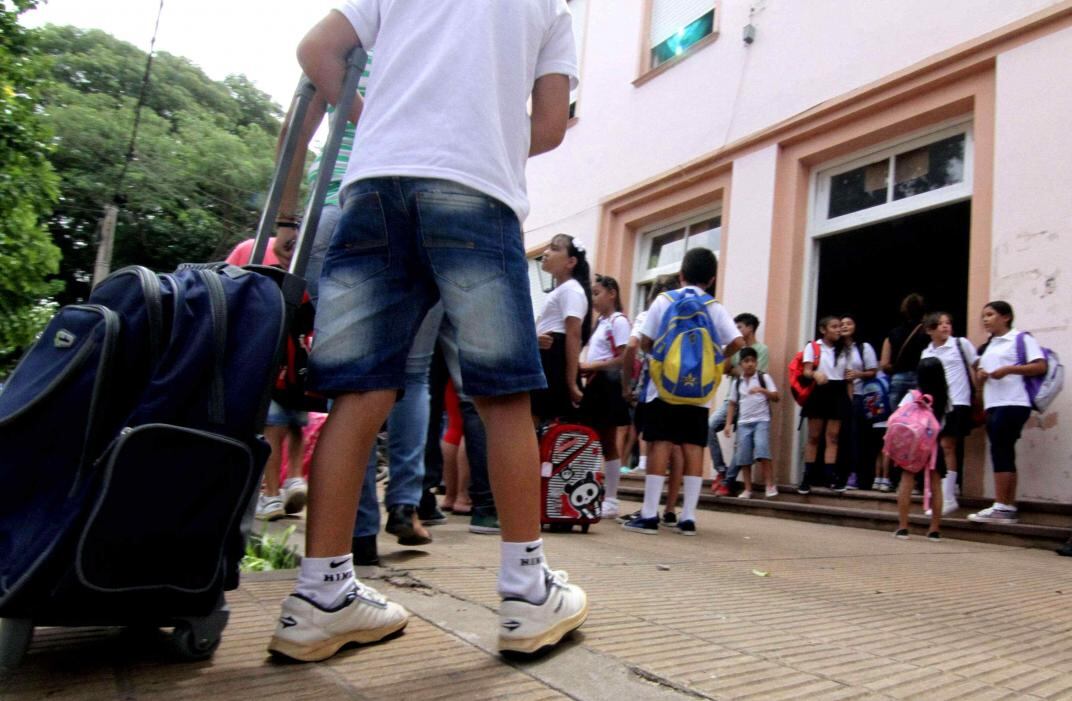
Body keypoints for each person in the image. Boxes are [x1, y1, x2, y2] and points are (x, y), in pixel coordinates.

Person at [269, 0, 587, 662]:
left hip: (375, 186)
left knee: (357, 392)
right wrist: (485, 132)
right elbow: (552, 125)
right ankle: (526, 592)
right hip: (476, 189)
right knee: (502, 394)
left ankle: (320, 594)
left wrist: (379, 123)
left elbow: (318, 51)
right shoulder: (552, 10)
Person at [623, 247, 744, 536]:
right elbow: (738, 342)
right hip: (699, 392)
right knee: (692, 448)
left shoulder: (664, 300)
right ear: (712, 279)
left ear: (681, 275)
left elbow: (645, 340)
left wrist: (659, 359)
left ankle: (650, 514)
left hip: (664, 388)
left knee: (659, 445)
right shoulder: (714, 307)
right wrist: (717, 358)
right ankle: (688, 517)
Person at [225, 235, 309, 521]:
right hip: (299, 364)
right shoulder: (306, 271)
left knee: (272, 429)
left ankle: (271, 496)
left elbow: (229, 290)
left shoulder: (249, 253)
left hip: (267, 360)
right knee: (297, 424)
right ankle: (295, 478)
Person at [967, 301, 1047, 525]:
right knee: (1004, 451)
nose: (985, 319)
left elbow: (1040, 366)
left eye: (990, 315)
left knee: (1001, 450)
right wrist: (982, 376)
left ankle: (1001, 505)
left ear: (1006, 317)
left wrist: (1009, 369)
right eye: (983, 315)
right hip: (994, 403)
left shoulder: (1021, 338)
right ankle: (1007, 504)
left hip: (1013, 401)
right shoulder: (990, 345)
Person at [579, 274, 631, 519]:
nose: (594, 298)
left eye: (597, 292)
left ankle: (611, 498)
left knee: (608, 442)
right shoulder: (600, 322)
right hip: (595, 383)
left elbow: (623, 358)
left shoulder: (619, 321)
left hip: (607, 385)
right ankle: (590, 491)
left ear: (612, 293)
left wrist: (594, 366)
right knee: (588, 439)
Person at [919, 311, 977, 515]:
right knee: (940, 448)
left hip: (958, 401)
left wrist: (978, 395)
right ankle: (948, 489)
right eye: (939, 324)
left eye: (947, 323)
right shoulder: (927, 353)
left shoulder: (960, 344)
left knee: (948, 445)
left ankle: (948, 497)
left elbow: (976, 367)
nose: (945, 326)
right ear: (929, 330)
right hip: (938, 405)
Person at [533, 234, 591, 422]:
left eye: (554, 248)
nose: (546, 252)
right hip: (548, 355)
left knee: (540, 419)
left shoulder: (571, 290)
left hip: (554, 359)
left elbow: (574, 335)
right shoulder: (561, 290)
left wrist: (571, 382)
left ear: (571, 261)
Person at [711, 312, 769, 496]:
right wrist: (731, 349)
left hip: (750, 403)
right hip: (732, 399)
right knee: (709, 426)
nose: (736, 331)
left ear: (750, 328)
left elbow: (756, 374)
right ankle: (721, 469)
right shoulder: (735, 348)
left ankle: (728, 481)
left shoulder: (762, 350)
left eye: (739, 327)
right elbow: (725, 369)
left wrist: (739, 370)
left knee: (741, 444)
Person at [892, 357, 948, 541]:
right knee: (936, 486)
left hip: (913, 446)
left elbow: (899, 417)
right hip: (934, 446)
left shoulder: (912, 395)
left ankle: (903, 526)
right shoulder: (946, 397)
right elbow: (947, 421)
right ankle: (934, 529)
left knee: (906, 482)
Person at [797, 316, 849, 494]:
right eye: (834, 327)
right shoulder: (813, 347)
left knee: (833, 437)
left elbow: (848, 374)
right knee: (814, 436)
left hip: (838, 390)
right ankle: (807, 477)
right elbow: (806, 370)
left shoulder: (845, 349)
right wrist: (814, 374)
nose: (837, 330)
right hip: (820, 391)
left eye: (839, 327)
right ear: (823, 329)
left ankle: (830, 476)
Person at [723, 347, 779, 499]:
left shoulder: (763, 377)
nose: (750, 364)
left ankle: (770, 485)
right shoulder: (737, 382)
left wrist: (762, 390)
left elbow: (776, 396)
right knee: (744, 457)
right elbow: (732, 403)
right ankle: (748, 488)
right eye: (746, 361)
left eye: (753, 361)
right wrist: (728, 424)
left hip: (761, 420)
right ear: (741, 363)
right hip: (743, 422)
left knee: (763, 451)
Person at [839, 314, 878, 492]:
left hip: (858, 396)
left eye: (849, 323)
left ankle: (855, 475)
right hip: (839, 397)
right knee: (839, 436)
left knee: (856, 437)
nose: (845, 326)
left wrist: (857, 374)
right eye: (842, 324)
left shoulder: (863, 348)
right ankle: (837, 474)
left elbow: (873, 371)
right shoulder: (835, 349)